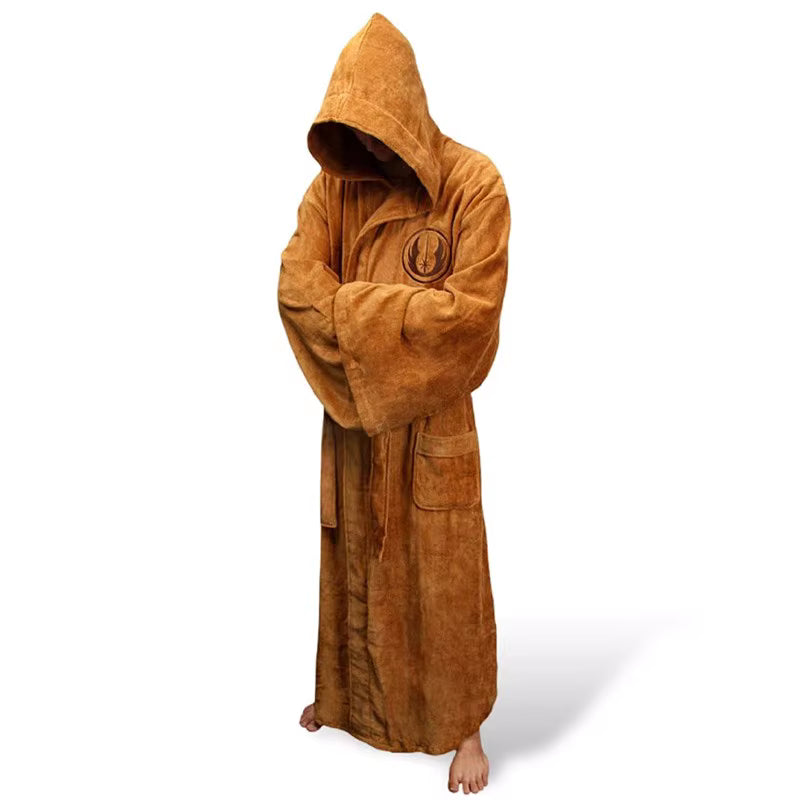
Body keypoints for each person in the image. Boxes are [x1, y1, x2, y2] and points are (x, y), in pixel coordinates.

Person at [278, 12, 510, 795]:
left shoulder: (473, 186)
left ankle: (465, 727)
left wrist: (350, 313)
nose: (369, 147)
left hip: (432, 426)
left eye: (378, 130)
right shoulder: (332, 189)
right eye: (354, 131)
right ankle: (345, 700)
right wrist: (397, 320)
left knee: (444, 581)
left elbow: (469, 321)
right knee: (349, 566)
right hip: (353, 420)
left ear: (406, 108)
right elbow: (295, 288)